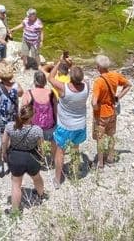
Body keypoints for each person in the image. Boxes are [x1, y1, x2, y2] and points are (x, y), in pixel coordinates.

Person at [48, 58, 89, 187]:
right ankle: (75, 173)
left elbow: (50, 77)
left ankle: (57, 179)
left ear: (70, 76)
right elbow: (79, 77)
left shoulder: (64, 88)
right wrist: (73, 67)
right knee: (76, 149)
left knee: (60, 152)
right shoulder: (87, 86)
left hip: (65, 125)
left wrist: (59, 63)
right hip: (80, 125)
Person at [1, 104, 46, 214]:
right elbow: (41, 147)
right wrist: (42, 157)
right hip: (31, 157)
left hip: (16, 157)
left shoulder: (10, 126)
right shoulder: (37, 130)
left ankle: (15, 210)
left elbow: (4, 142)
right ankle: (41, 195)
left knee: (16, 184)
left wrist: (4, 154)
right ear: (31, 117)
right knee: (36, 177)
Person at [91, 54, 130, 168]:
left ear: (98, 67)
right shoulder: (115, 75)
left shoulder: (98, 81)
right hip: (112, 111)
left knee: (100, 137)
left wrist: (96, 109)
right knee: (111, 135)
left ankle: (100, 162)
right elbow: (128, 85)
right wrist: (118, 97)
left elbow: (94, 102)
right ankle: (111, 157)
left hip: (101, 114)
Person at [0, 65, 23, 171]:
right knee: (9, 136)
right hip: (11, 116)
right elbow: (21, 93)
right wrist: (13, 80)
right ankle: (7, 157)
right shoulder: (16, 86)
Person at [22, 70, 57, 146]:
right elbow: (55, 111)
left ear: (34, 81)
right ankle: (52, 156)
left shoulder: (29, 93)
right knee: (53, 141)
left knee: (35, 146)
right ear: (45, 81)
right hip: (49, 126)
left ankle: (39, 154)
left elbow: (23, 112)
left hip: (34, 127)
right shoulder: (51, 93)